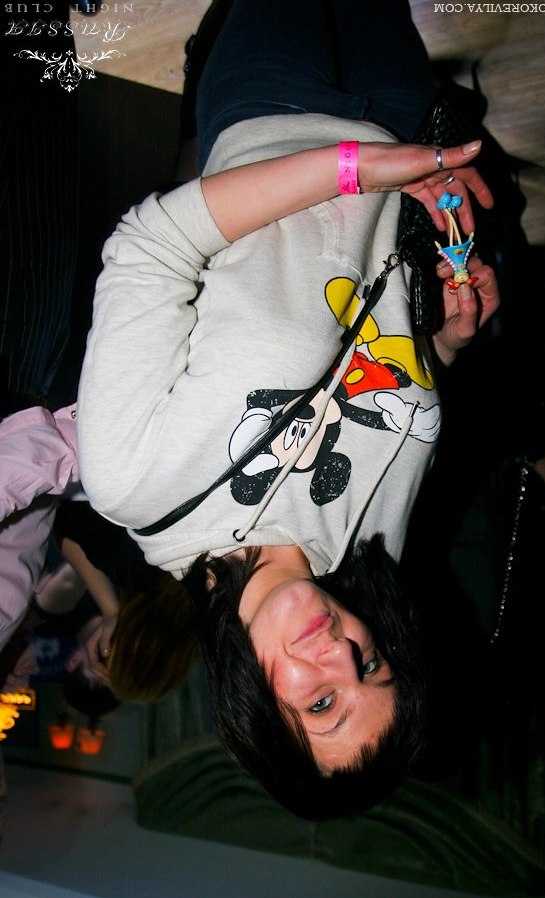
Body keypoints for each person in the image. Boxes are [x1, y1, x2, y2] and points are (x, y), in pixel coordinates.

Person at [73, 0, 499, 818]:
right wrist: (447, 340)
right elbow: (398, 401)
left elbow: (150, 246)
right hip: (404, 132)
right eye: (370, 667)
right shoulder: (373, 544)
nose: (339, 652)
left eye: (322, 702)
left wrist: (354, 170)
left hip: (273, 108)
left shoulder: (137, 486)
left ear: (253, 715)